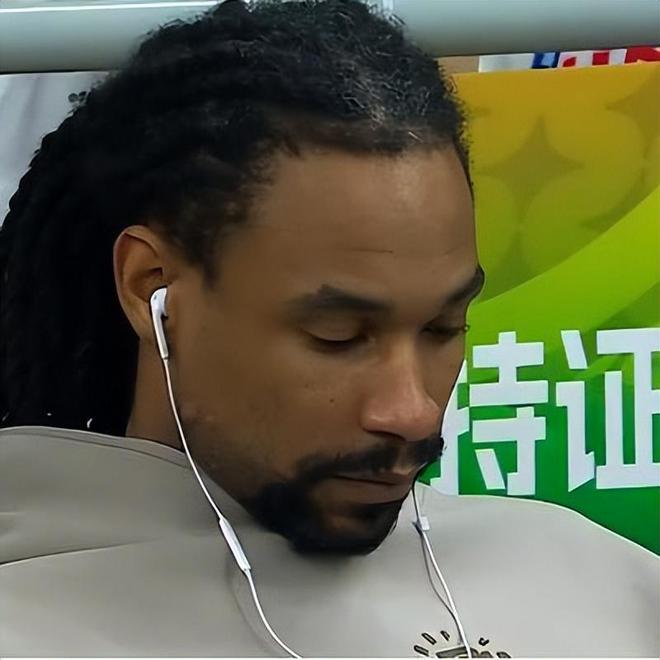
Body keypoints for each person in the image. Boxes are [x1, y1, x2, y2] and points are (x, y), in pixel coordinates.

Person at [0, 0, 657, 657]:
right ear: (152, 288)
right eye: (338, 337)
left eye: (443, 327)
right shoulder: (31, 620)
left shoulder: (596, 579)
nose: (413, 412)